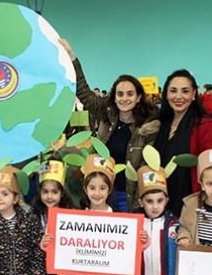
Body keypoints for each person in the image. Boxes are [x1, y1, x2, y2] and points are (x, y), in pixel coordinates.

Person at [58, 39, 160, 212]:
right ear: (114, 96)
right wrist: (72, 57)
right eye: (120, 94)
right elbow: (83, 91)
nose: (124, 98)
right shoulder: (107, 114)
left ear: (138, 97)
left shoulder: (148, 127)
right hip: (102, 194)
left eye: (130, 94)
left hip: (128, 195)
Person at [153, 70, 212, 216]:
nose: (178, 96)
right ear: (166, 94)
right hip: (159, 206)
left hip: (190, 209)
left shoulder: (206, 126)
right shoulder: (161, 125)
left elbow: (211, 172)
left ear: (193, 94)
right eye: (173, 91)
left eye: (185, 91)